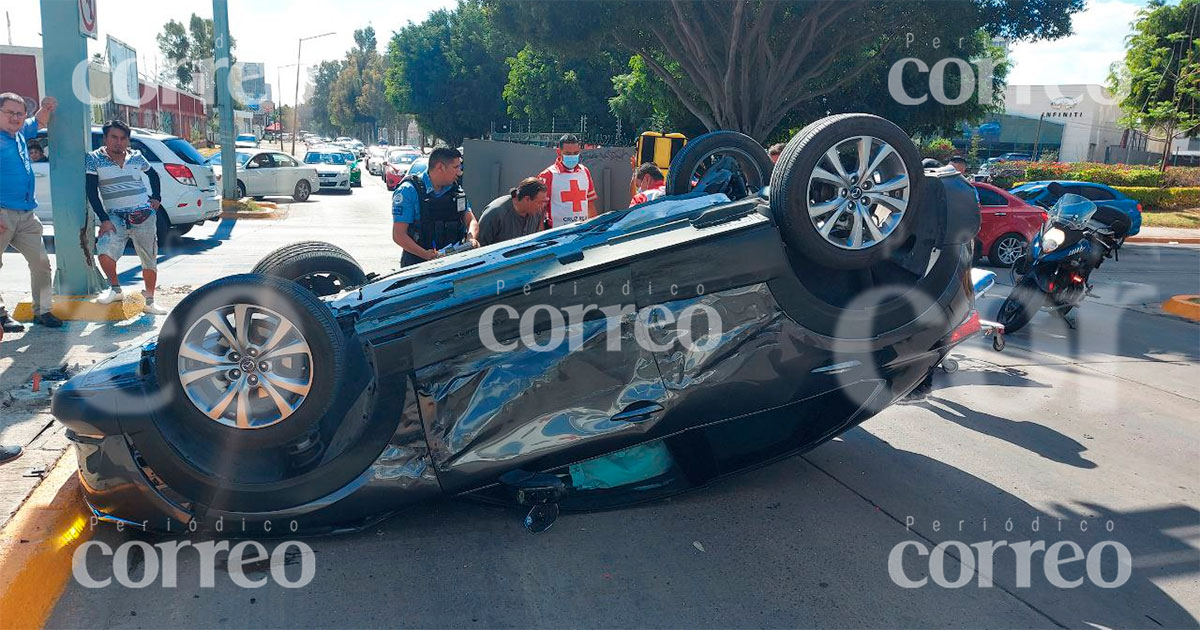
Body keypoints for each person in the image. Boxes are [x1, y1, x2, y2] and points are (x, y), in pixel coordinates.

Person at [86, 120, 167, 315]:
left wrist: (156, 198)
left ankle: (150, 301)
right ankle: (115, 290)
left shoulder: (136, 157)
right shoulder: (94, 159)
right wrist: (103, 218)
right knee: (104, 250)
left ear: (128, 140)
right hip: (115, 216)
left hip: (143, 214)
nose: (119, 142)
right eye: (114, 137)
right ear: (105, 138)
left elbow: (154, 175)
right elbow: (90, 190)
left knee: (149, 258)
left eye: (123, 138)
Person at [0, 92, 63, 332]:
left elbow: (38, 121)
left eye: (19, 113)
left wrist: (47, 107)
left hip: (26, 214)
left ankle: (43, 311)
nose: (16, 118)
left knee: (41, 263)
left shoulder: (19, 133)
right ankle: (1, 315)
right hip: (2, 213)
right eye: (10, 113)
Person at [391, 146, 479, 266]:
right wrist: (426, 255)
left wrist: (471, 238)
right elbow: (399, 235)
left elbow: (471, 221)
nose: (460, 172)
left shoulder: (456, 190)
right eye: (456, 167)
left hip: (452, 263)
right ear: (440, 167)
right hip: (418, 265)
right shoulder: (409, 191)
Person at [538, 133, 597, 228]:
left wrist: (593, 229)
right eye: (568, 153)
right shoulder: (548, 175)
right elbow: (539, 210)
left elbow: (590, 204)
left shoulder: (584, 171)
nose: (572, 156)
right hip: (556, 233)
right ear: (558, 152)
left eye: (576, 153)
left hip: (581, 231)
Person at [477, 177, 548, 247]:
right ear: (527, 199)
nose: (542, 206)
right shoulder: (495, 213)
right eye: (540, 203)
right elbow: (479, 246)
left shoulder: (536, 213)